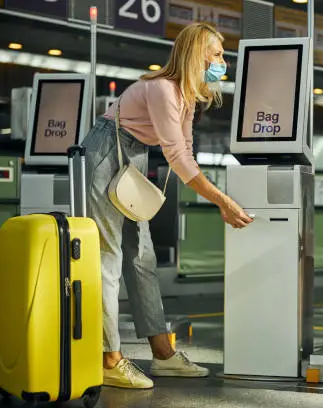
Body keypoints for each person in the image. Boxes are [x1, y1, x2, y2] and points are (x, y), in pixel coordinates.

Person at [81, 23, 253, 390]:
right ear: (196, 55)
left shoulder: (187, 95)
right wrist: (223, 200)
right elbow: (178, 158)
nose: (223, 61)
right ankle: (109, 358)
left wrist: (218, 196)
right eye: (218, 54)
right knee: (108, 256)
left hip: (134, 155)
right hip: (106, 150)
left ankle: (163, 354)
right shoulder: (161, 89)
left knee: (140, 255)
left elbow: (184, 151)